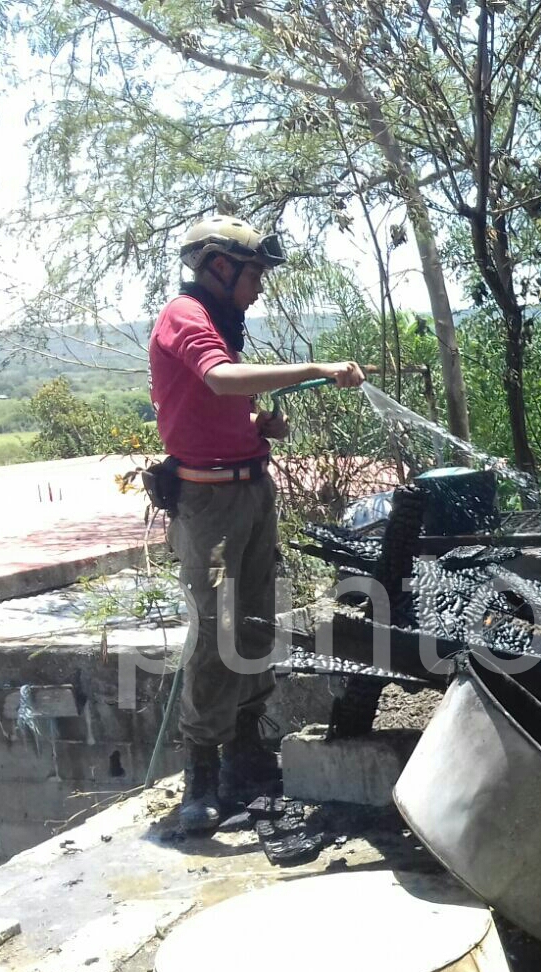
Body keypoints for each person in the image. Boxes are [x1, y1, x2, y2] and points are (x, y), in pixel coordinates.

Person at [151, 215, 365, 833]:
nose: (261, 287)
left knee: (254, 623)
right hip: (211, 505)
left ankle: (246, 753)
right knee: (217, 632)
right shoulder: (186, 317)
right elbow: (217, 380)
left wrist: (256, 429)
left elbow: (214, 401)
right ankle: (201, 775)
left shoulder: (221, 321)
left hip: (248, 490)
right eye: (255, 274)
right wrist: (314, 369)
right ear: (221, 267)